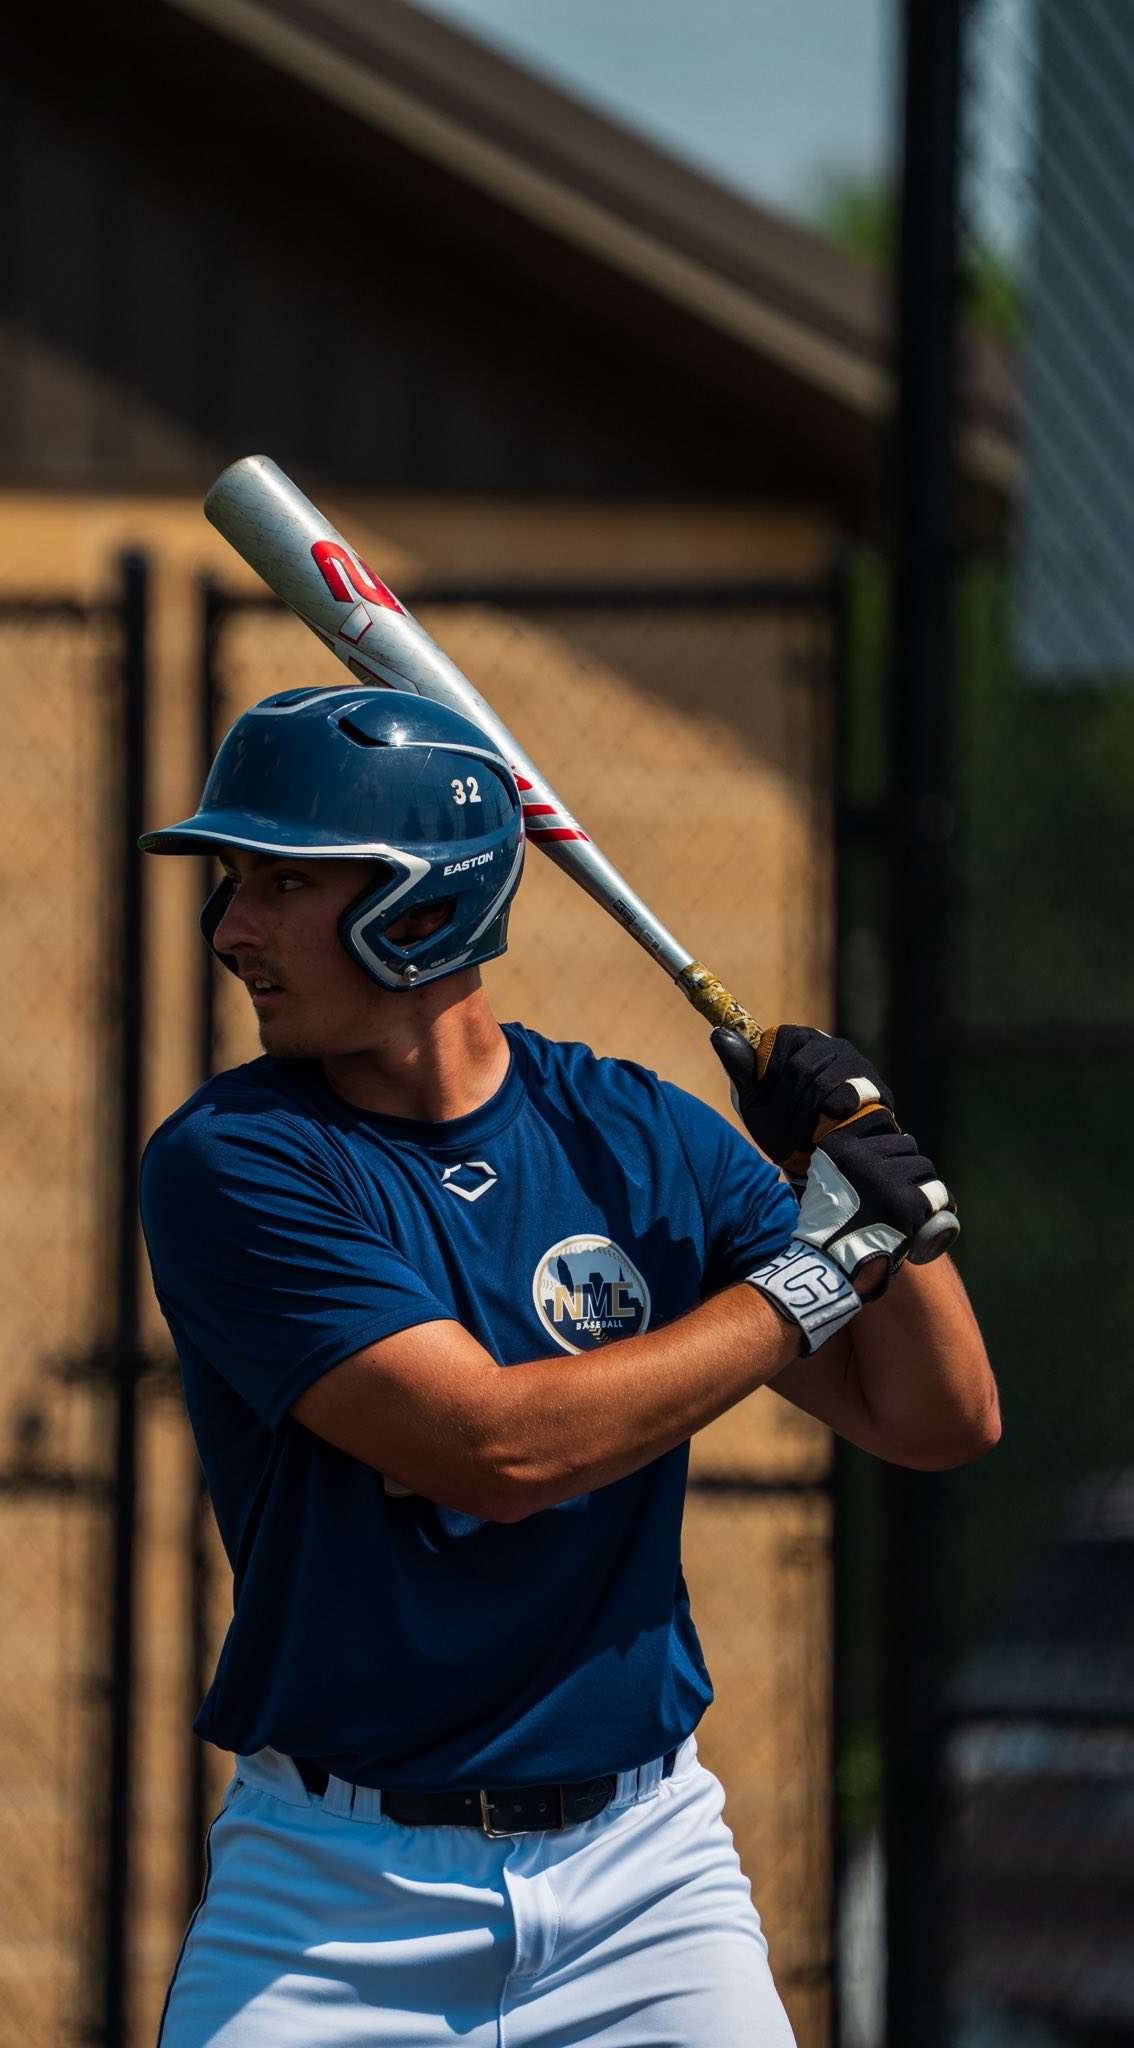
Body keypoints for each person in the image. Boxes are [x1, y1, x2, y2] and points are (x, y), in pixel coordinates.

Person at [138, 684, 998, 2048]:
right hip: (332, 1896)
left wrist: (864, 1170)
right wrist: (823, 1271)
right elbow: (496, 1452)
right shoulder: (234, 1163)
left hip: (645, 1880)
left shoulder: (634, 1133)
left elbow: (939, 1415)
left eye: (284, 883)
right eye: (233, 882)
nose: (230, 927)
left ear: (425, 903)